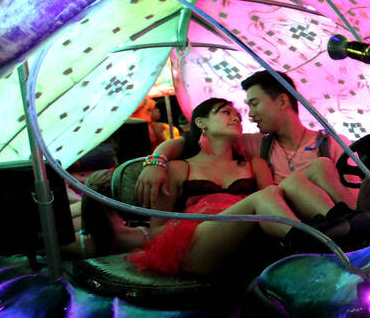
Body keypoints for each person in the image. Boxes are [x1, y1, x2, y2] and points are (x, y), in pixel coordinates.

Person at [136, 71, 370, 237]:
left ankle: (365, 229)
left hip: (341, 219)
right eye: (245, 108)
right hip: (289, 225)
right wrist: (155, 161)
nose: (248, 115)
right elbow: (190, 143)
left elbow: (355, 192)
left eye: (254, 104)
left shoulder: (332, 144)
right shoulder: (257, 145)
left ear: (281, 101)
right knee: (294, 181)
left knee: (321, 165)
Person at [129, 98, 312, 276]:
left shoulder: (255, 164)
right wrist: (194, 218)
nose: (236, 118)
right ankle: (311, 245)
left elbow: (275, 206)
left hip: (245, 247)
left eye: (238, 116)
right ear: (201, 122)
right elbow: (156, 231)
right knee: (266, 195)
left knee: (282, 188)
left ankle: (315, 239)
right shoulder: (177, 169)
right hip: (196, 249)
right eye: (226, 112)